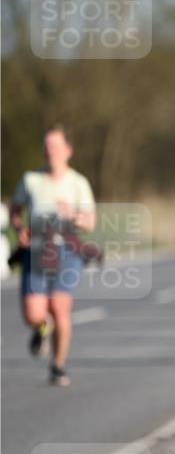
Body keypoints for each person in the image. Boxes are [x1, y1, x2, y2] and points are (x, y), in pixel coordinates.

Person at [9, 125, 96, 387]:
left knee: (59, 307)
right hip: (35, 249)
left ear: (68, 151)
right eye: (46, 146)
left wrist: (73, 216)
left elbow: (90, 222)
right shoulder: (30, 180)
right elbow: (15, 210)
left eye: (55, 146)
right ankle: (40, 328)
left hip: (66, 250)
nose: (50, 151)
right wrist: (19, 228)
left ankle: (58, 366)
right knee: (34, 313)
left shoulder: (78, 183)